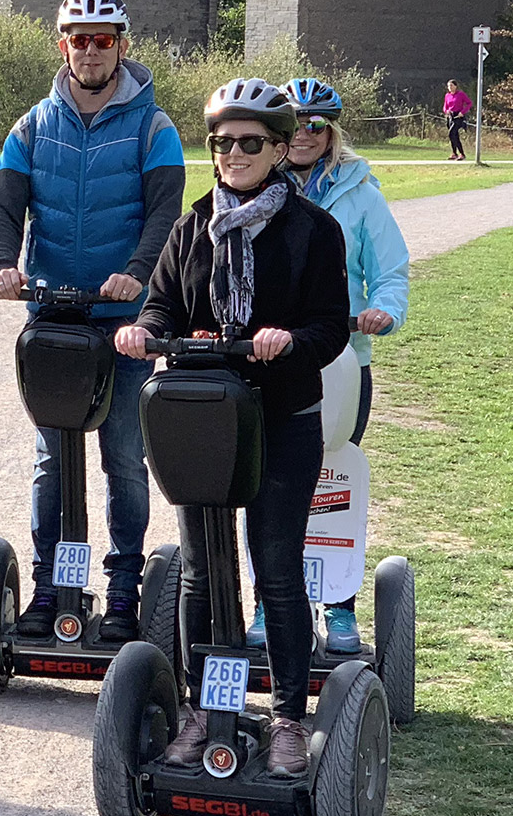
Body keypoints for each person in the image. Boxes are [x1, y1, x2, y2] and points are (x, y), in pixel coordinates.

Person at [114, 76, 350, 779]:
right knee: (200, 571)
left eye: (251, 143)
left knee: (275, 567)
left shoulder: (314, 230)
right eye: (222, 143)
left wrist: (287, 341)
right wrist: (143, 334)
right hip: (204, 419)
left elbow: (329, 327)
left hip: (281, 417)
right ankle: (203, 711)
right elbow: (161, 305)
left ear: (280, 149)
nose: (234, 155)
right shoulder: (192, 226)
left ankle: (284, 716)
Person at [0, 0, 186, 644]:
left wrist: (138, 273)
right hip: (53, 317)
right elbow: (4, 206)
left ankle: (124, 587)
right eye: (79, 38)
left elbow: (164, 214)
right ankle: (52, 585)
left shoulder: (155, 128)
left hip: (123, 319)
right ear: (62, 44)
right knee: (53, 458)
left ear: (122, 46)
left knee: (124, 457)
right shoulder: (32, 126)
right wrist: (1, 265)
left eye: (103, 40)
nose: (90, 50)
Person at [274, 76, 411, 653]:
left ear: (330, 132)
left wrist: (383, 310)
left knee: (334, 483)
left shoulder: (361, 195)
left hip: (342, 360)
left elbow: (391, 269)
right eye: (295, 123)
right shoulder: (258, 183)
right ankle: (270, 606)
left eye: (315, 124)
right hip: (274, 361)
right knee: (273, 487)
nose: (303, 134)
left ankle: (338, 608)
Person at [443, 79, 474, 161]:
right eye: (449, 86)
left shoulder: (460, 94)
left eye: (451, 85)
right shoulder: (447, 95)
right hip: (451, 116)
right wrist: (446, 111)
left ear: (456, 86)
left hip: (458, 116)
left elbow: (469, 103)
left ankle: (462, 154)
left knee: (451, 133)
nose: (450, 87)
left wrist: (463, 112)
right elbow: (445, 106)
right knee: (454, 135)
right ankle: (455, 153)